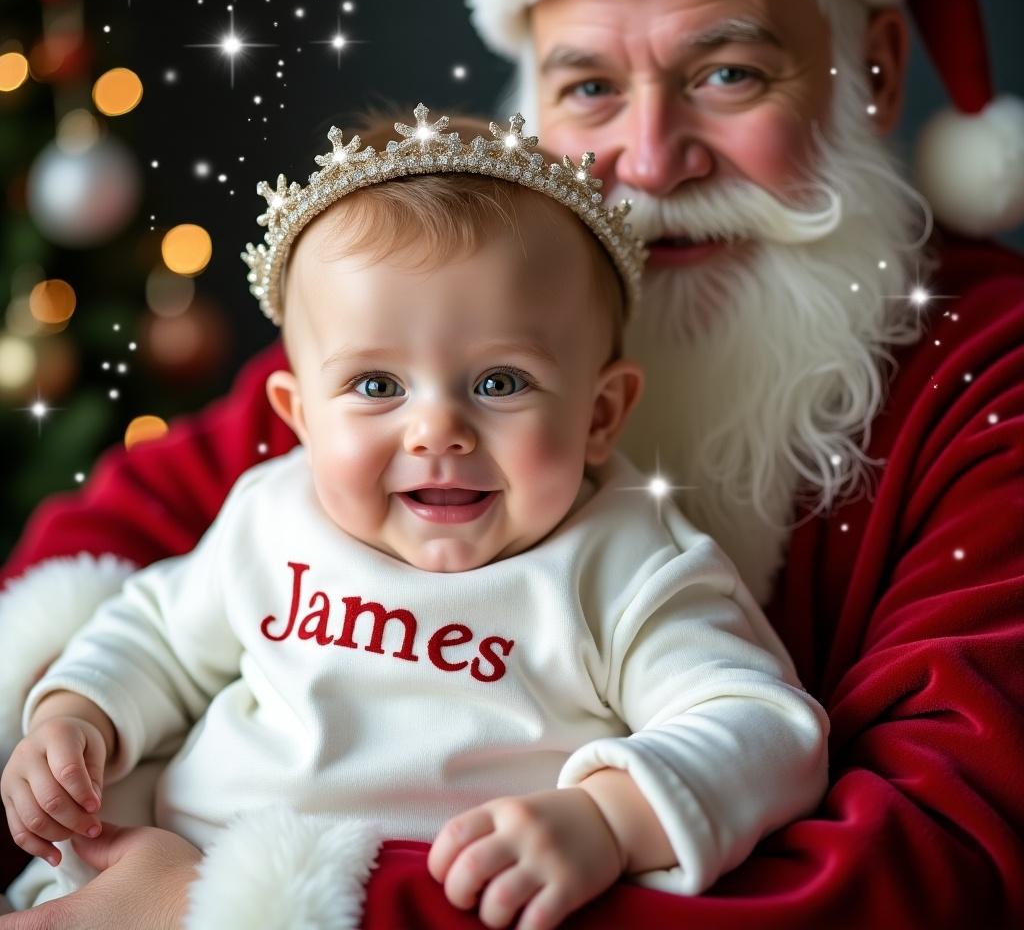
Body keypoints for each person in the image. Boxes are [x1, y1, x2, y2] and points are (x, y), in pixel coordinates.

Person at [1, 0, 1021, 928]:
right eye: (588, 87)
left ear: (876, 69)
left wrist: (219, 907)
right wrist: (68, 718)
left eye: (729, 74)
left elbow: (931, 858)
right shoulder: (409, 343)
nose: (651, 161)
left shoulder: (974, 382)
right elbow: (130, 595)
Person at [1, 109, 828, 927]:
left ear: (601, 413)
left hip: (399, 902)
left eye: (501, 382)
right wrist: (77, 715)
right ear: (299, 416)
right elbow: (154, 634)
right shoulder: (274, 514)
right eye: (375, 386)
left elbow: (763, 727)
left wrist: (610, 818)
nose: (437, 429)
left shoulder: (623, 564)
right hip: (161, 862)